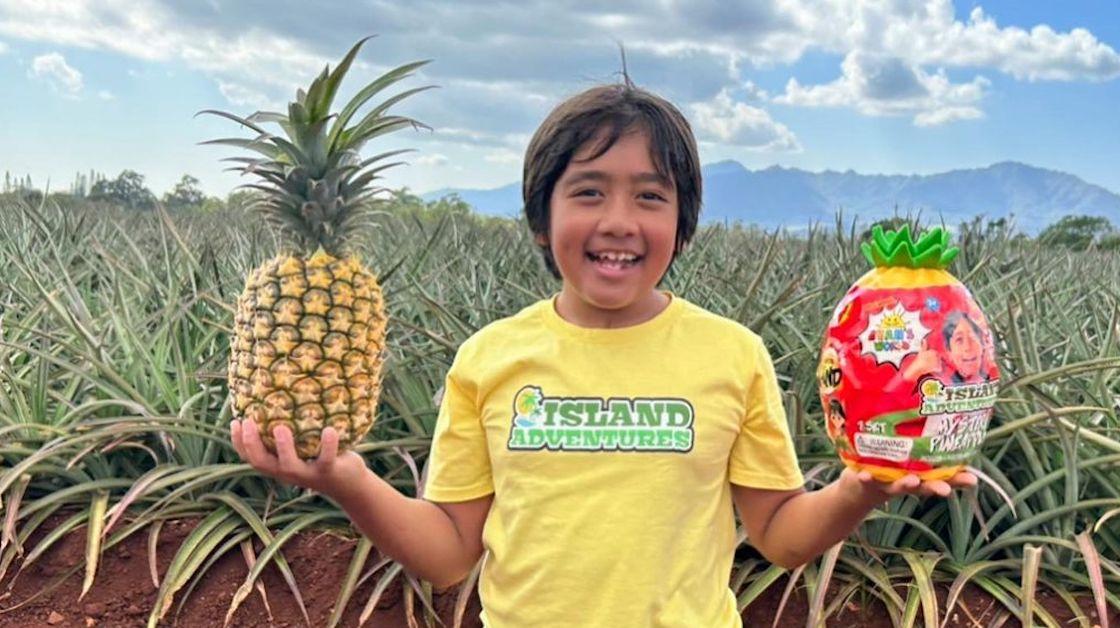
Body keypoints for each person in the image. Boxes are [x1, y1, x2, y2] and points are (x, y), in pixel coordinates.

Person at [230, 80, 975, 627]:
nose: (619, 221)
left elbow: (779, 535)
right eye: (587, 191)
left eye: (650, 197)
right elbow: (453, 552)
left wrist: (865, 486)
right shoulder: (490, 359)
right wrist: (349, 481)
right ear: (539, 214)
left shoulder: (732, 354)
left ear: (682, 224)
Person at [902, 310, 993, 385]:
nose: (967, 347)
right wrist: (916, 370)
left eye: (972, 337)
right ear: (949, 352)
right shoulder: (940, 386)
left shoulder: (992, 377)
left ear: (983, 345)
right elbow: (891, 400)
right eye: (959, 340)